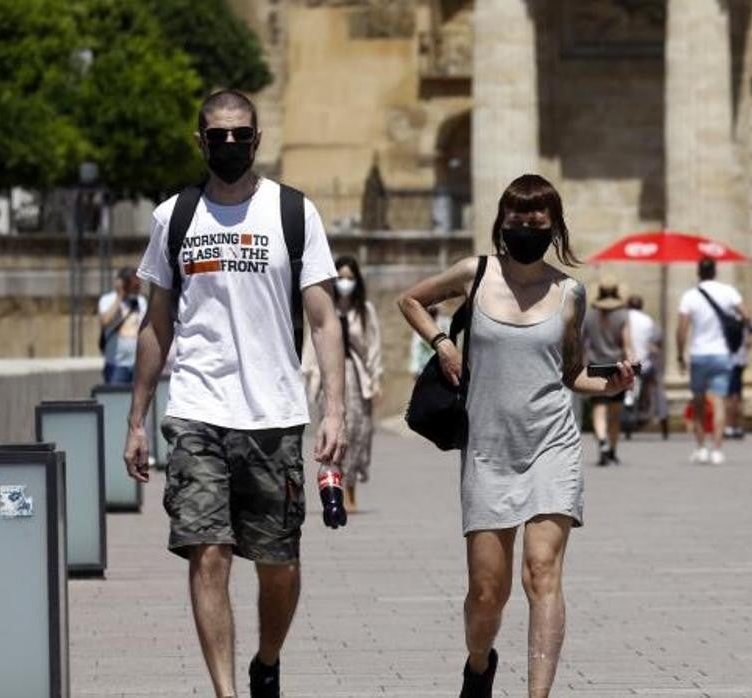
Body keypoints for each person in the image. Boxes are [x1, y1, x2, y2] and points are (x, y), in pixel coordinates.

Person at [121, 89, 347, 698]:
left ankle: (267, 658)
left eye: (238, 135)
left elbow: (325, 319)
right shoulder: (175, 216)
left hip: (274, 414)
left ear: (257, 140)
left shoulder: (293, 213)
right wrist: (137, 419)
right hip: (197, 409)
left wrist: (335, 412)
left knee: (279, 566)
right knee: (208, 551)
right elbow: (156, 321)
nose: (228, 145)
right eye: (216, 135)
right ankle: (225, 693)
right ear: (200, 141)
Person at [397, 174, 633, 697]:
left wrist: (610, 382)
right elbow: (410, 300)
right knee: (487, 593)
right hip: (488, 450)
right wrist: (442, 342)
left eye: (537, 222)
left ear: (554, 228)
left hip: (552, 443)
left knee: (542, 572)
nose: (526, 228)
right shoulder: (475, 273)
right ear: (502, 222)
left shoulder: (570, 292)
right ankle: (479, 664)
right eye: (517, 220)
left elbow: (572, 373)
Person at [303, 255, 381, 513]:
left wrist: (376, 378)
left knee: (358, 432)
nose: (345, 282)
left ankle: (351, 489)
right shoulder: (325, 308)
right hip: (331, 378)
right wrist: (309, 375)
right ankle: (334, 488)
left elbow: (373, 346)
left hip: (357, 376)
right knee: (335, 433)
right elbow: (312, 345)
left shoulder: (364, 311)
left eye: (350, 277)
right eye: (341, 277)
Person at [677, 256, 749, 465]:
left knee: (698, 403)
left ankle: (701, 448)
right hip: (721, 354)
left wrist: (680, 354)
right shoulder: (728, 292)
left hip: (699, 354)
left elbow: (682, 328)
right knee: (719, 402)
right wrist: (734, 330)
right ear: (715, 271)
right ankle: (717, 450)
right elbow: (746, 315)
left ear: (699, 272)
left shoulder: (690, 296)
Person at [583, 275, 633, 465]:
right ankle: (612, 450)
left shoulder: (589, 315)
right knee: (615, 412)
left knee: (599, 408)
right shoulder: (622, 315)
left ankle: (602, 442)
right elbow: (627, 344)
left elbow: (582, 343)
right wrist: (632, 364)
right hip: (617, 366)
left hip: (596, 366)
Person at [97, 266, 147, 384]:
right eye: (133, 285)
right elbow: (105, 321)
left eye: (138, 285)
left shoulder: (141, 301)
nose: (136, 289)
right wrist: (120, 297)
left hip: (137, 364)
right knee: (114, 399)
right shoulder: (108, 299)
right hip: (116, 365)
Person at [624, 294, 664, 437]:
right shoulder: (648, 321)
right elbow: (657, 340)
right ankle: (647, 406)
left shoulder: (623, 318)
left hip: (623, 363)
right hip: (643, 364)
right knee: (653, 380)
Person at [725, 320, 752, 439]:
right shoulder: (744, 320)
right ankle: (737, 426)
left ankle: (730, 426)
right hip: (740, 360)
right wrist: (747, 345)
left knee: (731, 396)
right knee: (737, 395)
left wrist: (747, 344)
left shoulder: (728, 317)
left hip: (731, 361)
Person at [409, 305, 451, 375]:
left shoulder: (446, 323)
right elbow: (416, 346)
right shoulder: (420, 323)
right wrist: (415, 366)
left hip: (442, 366)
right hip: (424, 366)